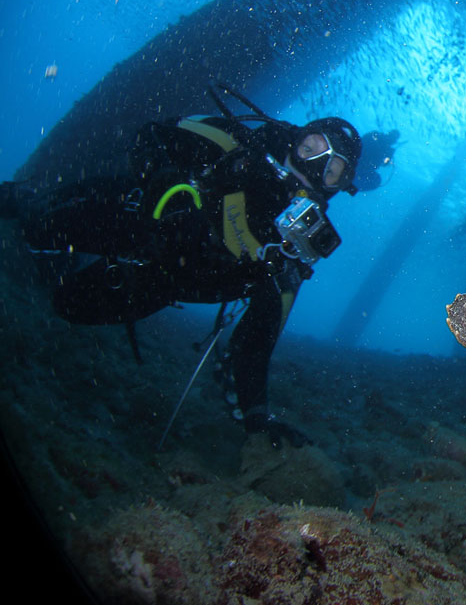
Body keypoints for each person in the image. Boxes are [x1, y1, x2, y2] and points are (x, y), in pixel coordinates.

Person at [0, 87, 362, 447]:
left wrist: (256, 415)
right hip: (126, 217)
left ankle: (55, 258)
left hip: (154, 281)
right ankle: (25, 200)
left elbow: (256, 342)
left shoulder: (292, 249)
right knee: (36, 222)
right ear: (295, 138)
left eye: (331, 170)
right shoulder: (238, 144)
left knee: (66, 305)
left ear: (338, 187)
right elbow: (153, 136)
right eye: (311, 148)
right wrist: (169, 190)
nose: (312, 166)